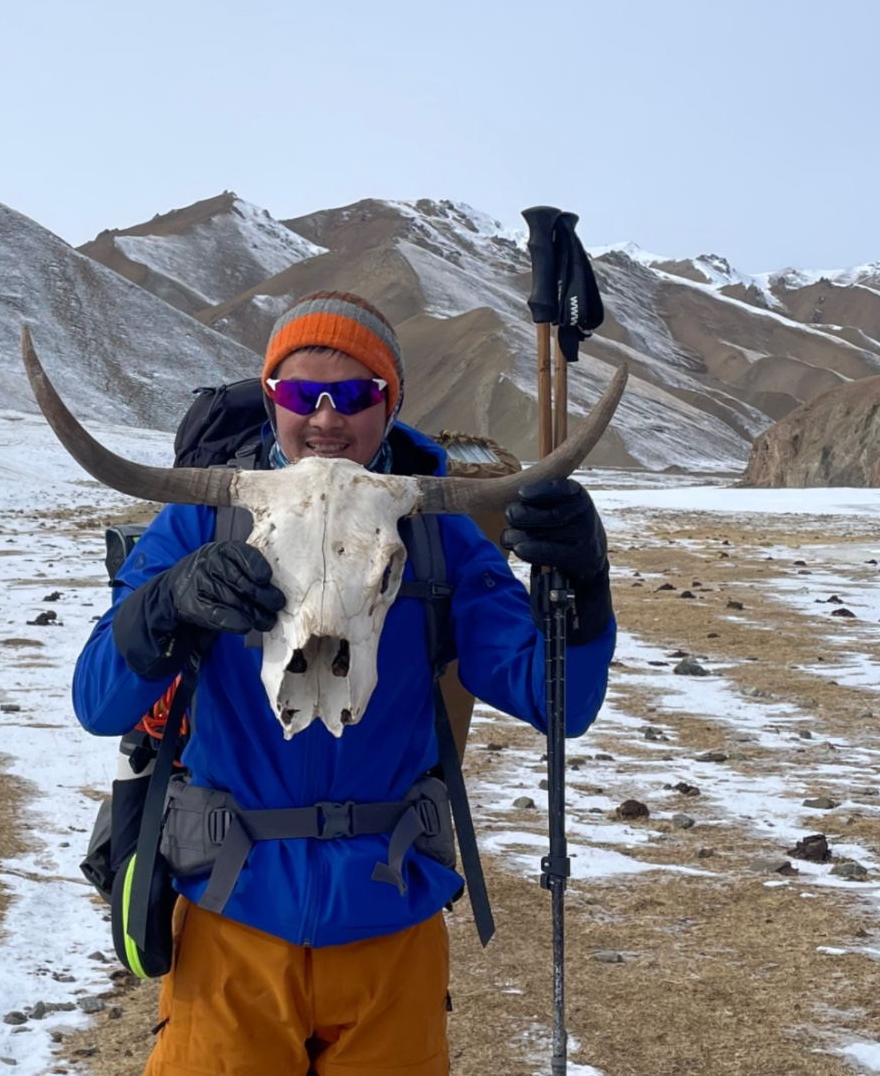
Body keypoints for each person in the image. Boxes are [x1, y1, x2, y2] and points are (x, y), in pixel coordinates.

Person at [71, 291, 614, 1075]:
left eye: (355, 394)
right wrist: (164, 602)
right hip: (232, 917)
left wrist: (586, 587)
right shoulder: (200, 524)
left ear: (389, 403)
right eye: (299, 394)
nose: (325, 418)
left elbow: (556, 701)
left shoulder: (439, 538)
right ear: (270, 399)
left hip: (389, 923)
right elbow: (98, 701)